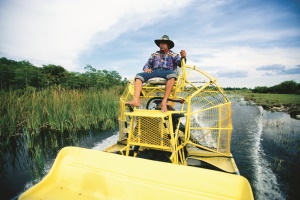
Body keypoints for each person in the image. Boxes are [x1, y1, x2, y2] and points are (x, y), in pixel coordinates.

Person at [126, 35, 187, 112]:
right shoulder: (154, 55)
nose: (162, 45)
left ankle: (164, 101)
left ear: (168, 45)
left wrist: (183, 57)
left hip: (167, 71)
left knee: (172, 75)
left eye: (164, 43)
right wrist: (146, 68)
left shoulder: (173, 54)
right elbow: (147, 64)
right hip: (154, 71)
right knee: (138, 76)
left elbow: (180, 63)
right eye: (161, 43)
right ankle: (136, 100)